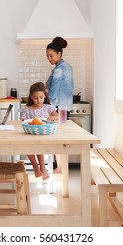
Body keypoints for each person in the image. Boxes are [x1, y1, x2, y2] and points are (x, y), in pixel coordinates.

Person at [45, 36, 74, 173]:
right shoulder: (67, 66)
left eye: (51, 56)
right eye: (47, 56)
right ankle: (61, 167)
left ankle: (60, 168)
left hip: (58, 106)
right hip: (66, 106)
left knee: (57, 138)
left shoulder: (58, 70)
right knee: (61, 138)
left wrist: (44, 99)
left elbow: (53, 93)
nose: (49, 58)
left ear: (59, 54)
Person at [20, 82, 58, 180]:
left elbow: (57, 116)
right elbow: (22, 122)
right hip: (29, 136)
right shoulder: (27, 110)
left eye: (41, 97)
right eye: (36, 98)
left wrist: (53, 117)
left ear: (45, 96)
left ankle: (42, 167)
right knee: (28, 144)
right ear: (31, 97)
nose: (38, 100)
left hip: (44, 136)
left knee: (37, 143)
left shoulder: (48, 107)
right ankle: (36, 166)